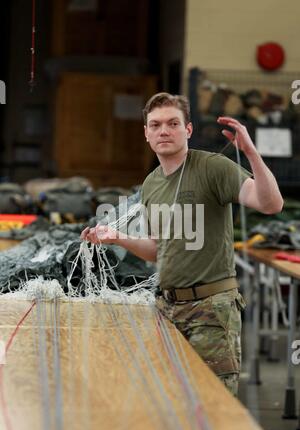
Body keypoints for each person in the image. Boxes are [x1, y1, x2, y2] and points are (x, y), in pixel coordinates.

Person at [81, 92, 283, 396]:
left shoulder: (214, 167)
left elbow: (271, 204)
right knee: (171, 405)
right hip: (167, 309)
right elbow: (158, 250)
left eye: (173, 123)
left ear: (188, 130)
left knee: (213, 407)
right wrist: (117, 237)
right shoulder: (151, 184)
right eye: (156, 125)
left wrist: (251, 153)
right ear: (146, 133)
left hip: (211, 311)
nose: (164, 130)